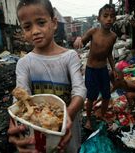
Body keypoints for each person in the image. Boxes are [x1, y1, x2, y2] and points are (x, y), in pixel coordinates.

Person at [7, 0, 86, 153]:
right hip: (37, 134)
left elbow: (80, 91)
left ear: (54, 23)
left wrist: (65, 117)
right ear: (23, 31)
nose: (35, 31)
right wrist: (14, 121)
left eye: (41, 22)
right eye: (27, 27)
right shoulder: (24, 63)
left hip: (67, 131)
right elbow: (20, 96)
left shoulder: (69, 57)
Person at [73, 4, 117, 130]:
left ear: (115, 19)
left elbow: (109, 53)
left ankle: (102, 115)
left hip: (103, 70)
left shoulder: (113, 37)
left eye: (112, 16)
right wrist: (78, 40)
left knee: (106, 96)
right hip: (91, 70)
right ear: (99, 19)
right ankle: (88, 118)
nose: (109, 19)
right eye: (105, 16)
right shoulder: (93, 32)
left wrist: (113, 68)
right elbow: (81, 41)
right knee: (91, 97)